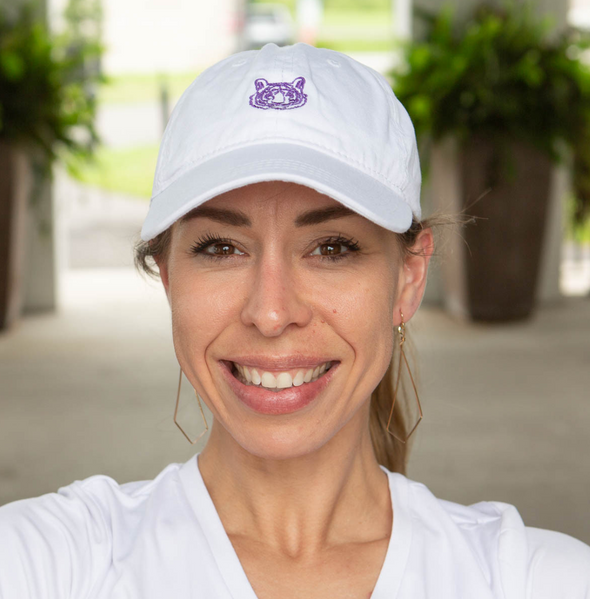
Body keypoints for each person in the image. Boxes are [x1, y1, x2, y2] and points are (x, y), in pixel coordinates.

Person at [1, 42, 589, 599]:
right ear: (170, 277)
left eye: (332, 247)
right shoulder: (51, 563)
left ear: (408, 278)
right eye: (220, 248)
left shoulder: (531, 579)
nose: (272, 312)